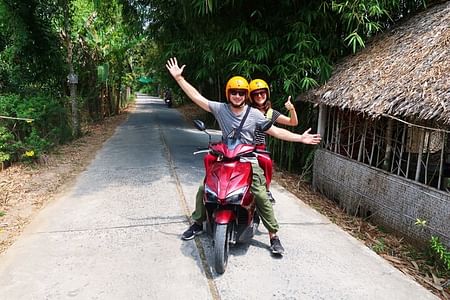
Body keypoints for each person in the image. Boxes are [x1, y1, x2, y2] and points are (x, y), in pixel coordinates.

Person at [166, 57, 321, 255]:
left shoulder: (255, 114)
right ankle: (198, 222)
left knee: (259, 193)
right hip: (225, 158)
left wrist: (300, 138)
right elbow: (197, 98)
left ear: (245, 95)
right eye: (234, 92)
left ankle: (273, 235)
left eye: (241, 93)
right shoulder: (221, 109)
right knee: (204, 188)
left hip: (248, 160)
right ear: (228, 93)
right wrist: (179, 79)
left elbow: (276, 131)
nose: (237, 96)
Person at [248, 79, 298, 203]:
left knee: (267, 162)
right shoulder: (246, 110)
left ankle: (266, 189)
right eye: (256, 94)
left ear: (267, 94)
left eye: (262, 93)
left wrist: (291, 109)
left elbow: (293, 122)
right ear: (251, 96)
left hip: (259, 147)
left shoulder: (271, 113)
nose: (259, 96)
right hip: (244, 145)